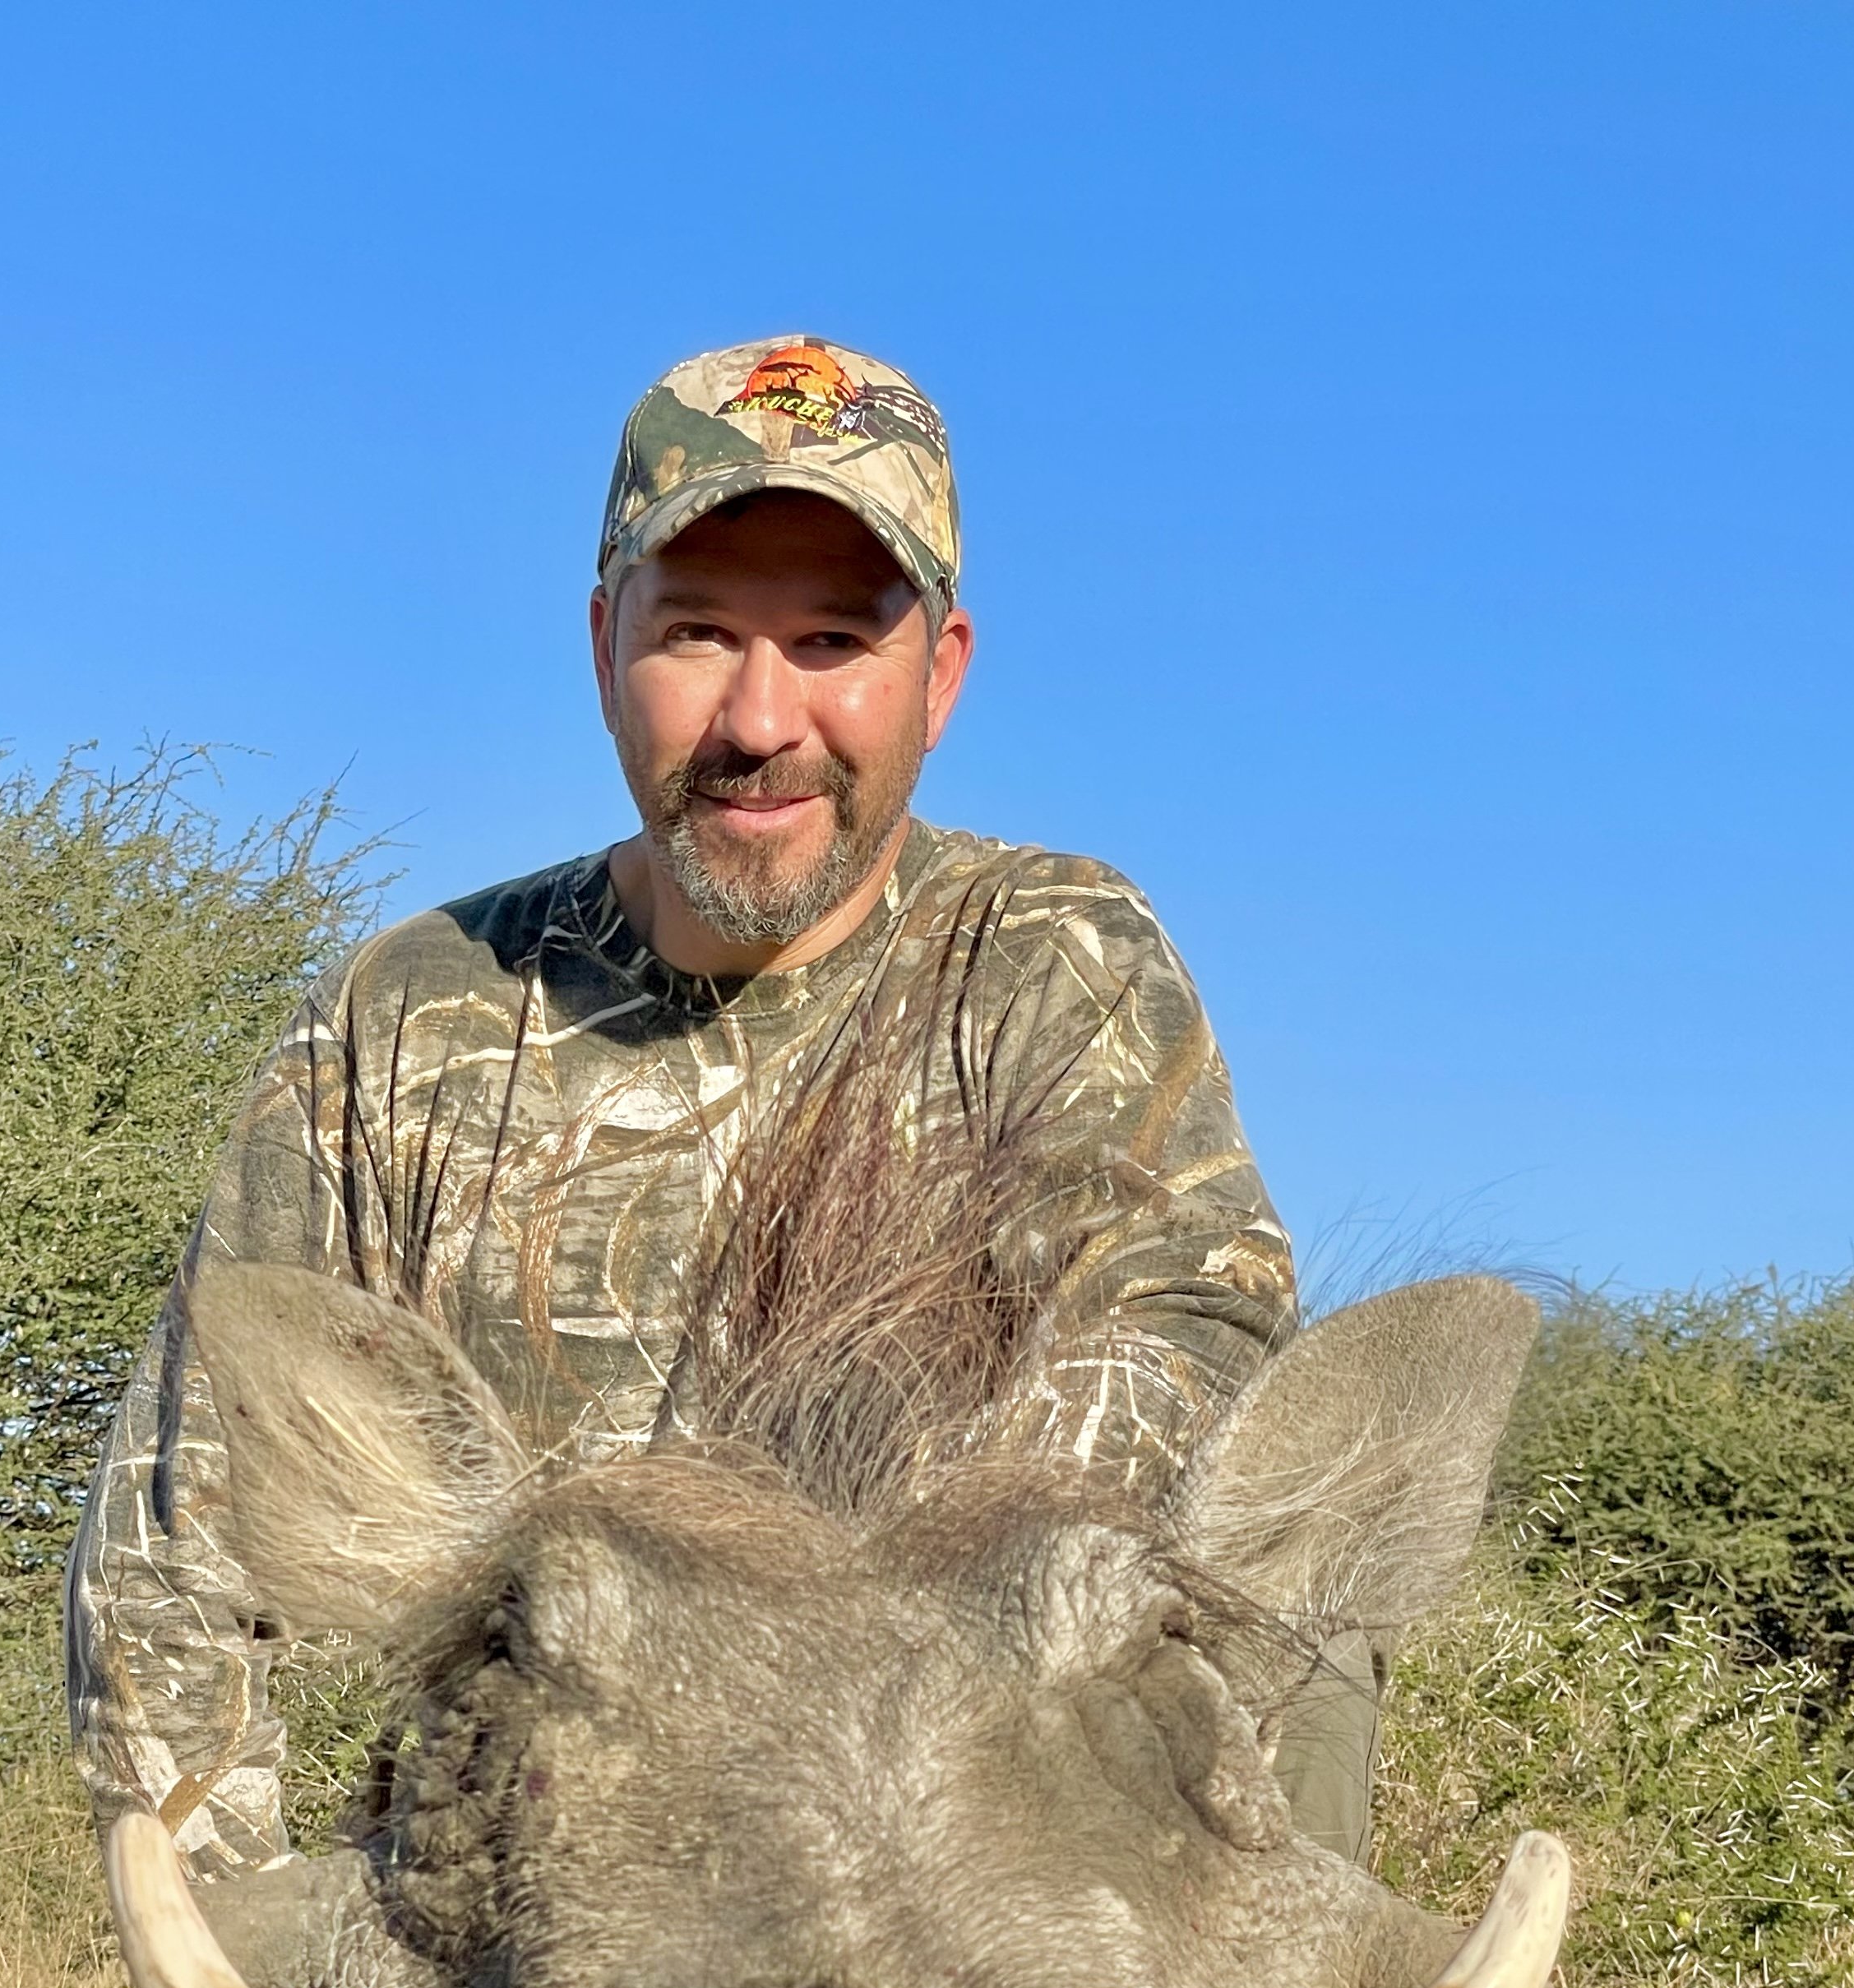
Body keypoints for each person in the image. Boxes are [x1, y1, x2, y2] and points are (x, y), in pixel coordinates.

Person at [68, 335, 1373, 1884]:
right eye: (695, 633)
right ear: (604, 640)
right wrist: (245, 1954)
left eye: (833, 640)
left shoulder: (1050, 956)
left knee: (1314, 1576)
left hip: (963, 1857)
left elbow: (1188, 1321)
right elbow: (185, 1517)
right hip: (532, 1888)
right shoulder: (404, 1013)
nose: (760, 721)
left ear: (940, 673)